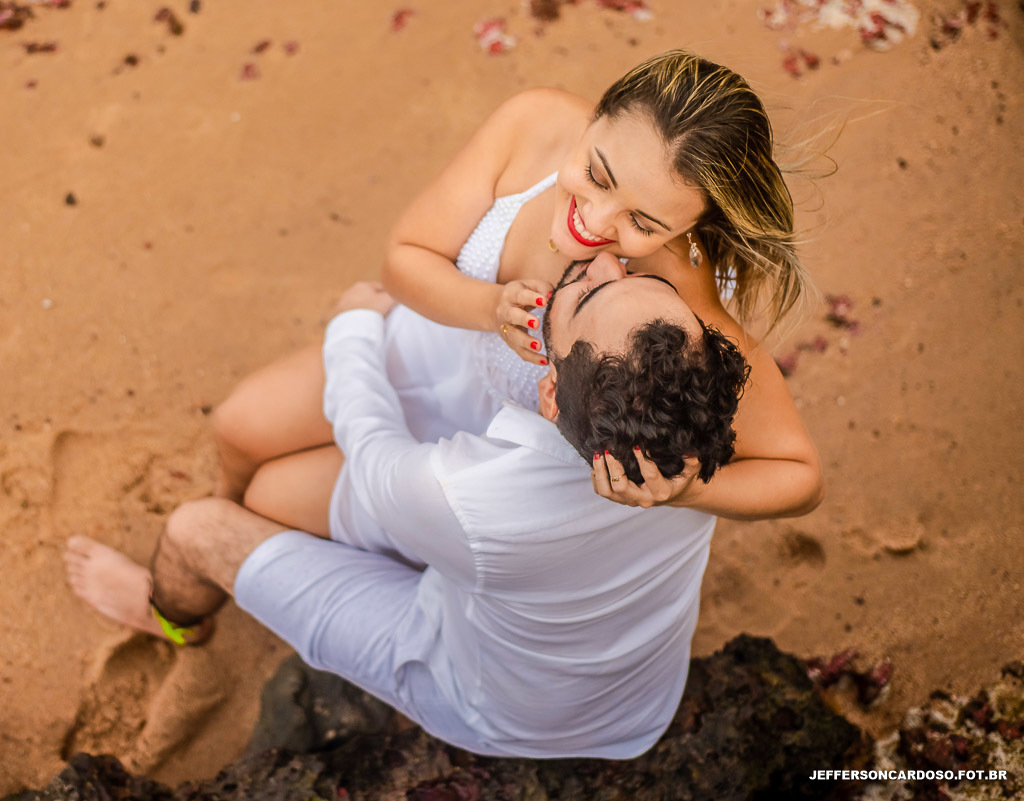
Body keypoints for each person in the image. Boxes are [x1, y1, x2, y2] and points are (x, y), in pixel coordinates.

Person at [66, 254, 751, 757]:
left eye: (587, 293)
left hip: (484, 694)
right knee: (295, 492)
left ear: (550, 396)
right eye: (643, 280)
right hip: (638, 703)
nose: (605, 261)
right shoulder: (709, 439)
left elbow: (369, 448)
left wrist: (352, 327)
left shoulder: (472, 498)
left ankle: (171, 617)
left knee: (197, 528)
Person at [212, 49, 823, 524]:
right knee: (237, 426)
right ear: (596, 116)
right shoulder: (535, 123)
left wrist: (686, 493)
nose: (594, 223)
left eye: (643, 224)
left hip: (486, 460)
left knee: (272, 496)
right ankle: (217, 512)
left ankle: (229, 542)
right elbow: (405, 256)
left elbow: (800, 476)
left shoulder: (677, 304)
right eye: (596, 174)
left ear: (691, 228)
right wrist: (488, 307)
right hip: (425, 349)